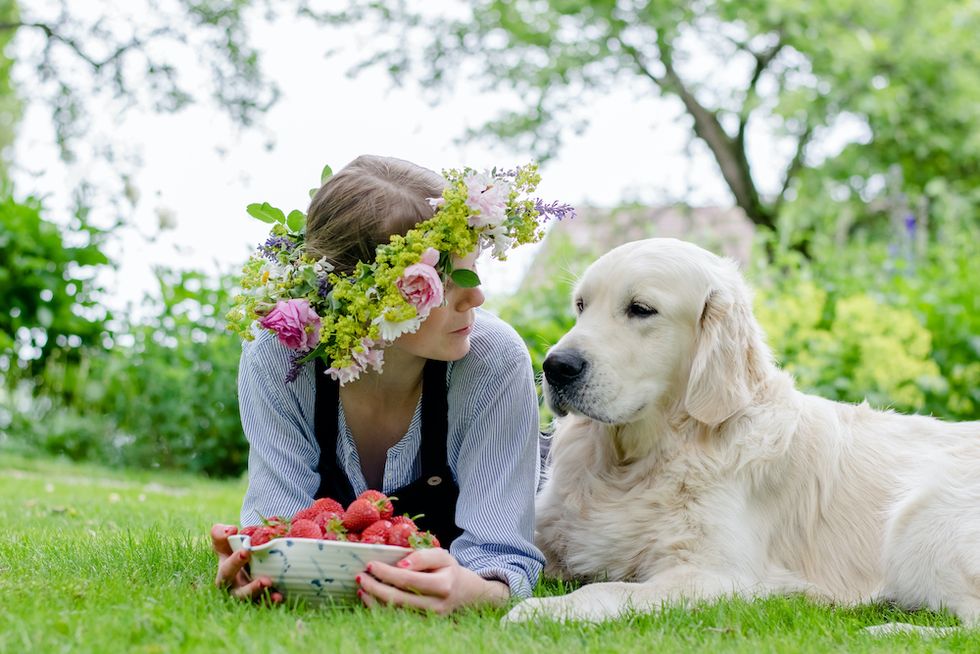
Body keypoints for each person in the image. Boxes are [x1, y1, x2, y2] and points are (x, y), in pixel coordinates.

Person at [211, 155, 545, 613]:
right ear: (360, 300)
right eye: (444, 280)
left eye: (472, 267)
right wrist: (257, 560)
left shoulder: (494, 360)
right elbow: (280, 525)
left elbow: (503, 554)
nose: (476, 296)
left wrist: (479, 592)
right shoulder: (281, 353)